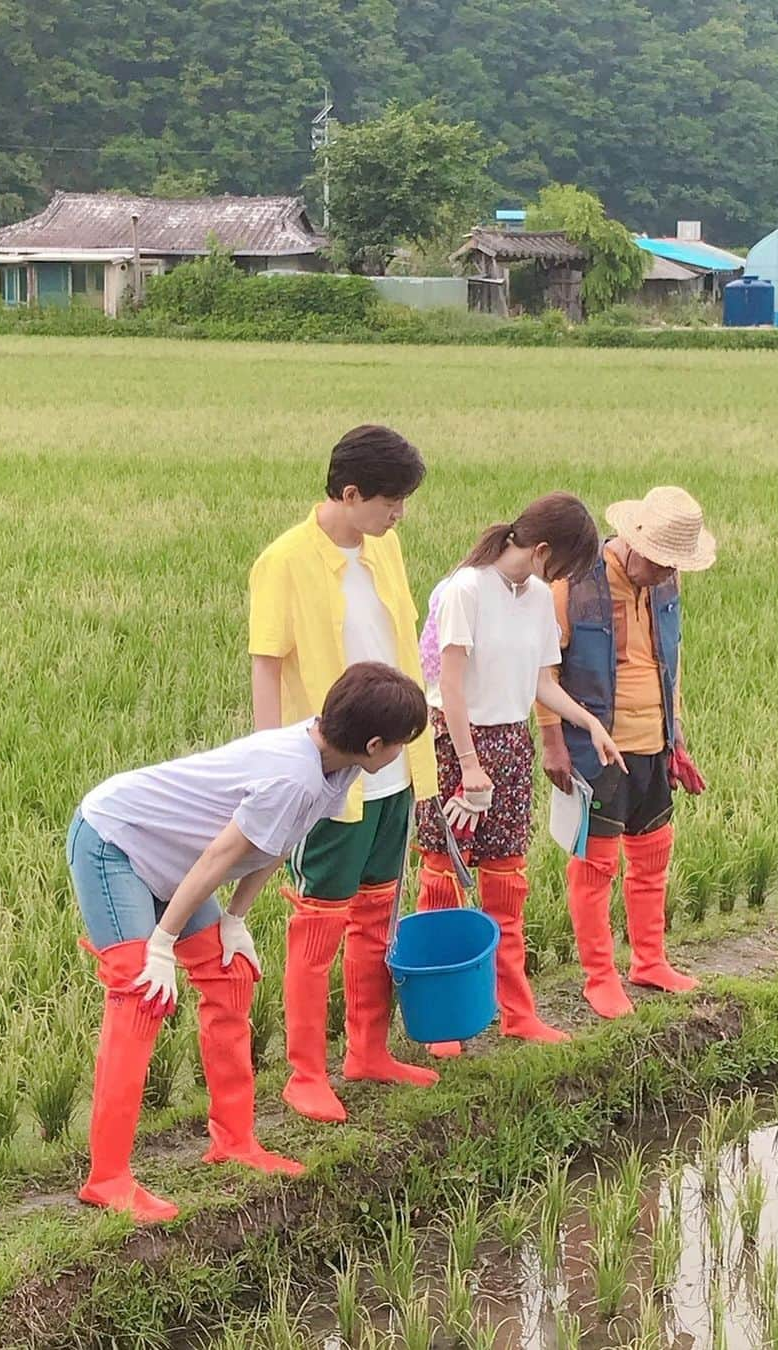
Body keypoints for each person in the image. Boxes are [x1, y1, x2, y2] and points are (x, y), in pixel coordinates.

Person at [66, 662, 428, 1223]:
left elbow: (279, 841)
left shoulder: (339, 769)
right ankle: (107, 1177)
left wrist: (235, 919)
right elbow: (220, 856)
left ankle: (233, 1140)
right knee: (141, 996)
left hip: (180, 861)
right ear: (374, 742)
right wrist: (160, 944)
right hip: (118, 842)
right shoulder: (294, 773)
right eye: (402, 744)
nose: (403, 753)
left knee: (229, 975)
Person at [248, 426, 439, 1124]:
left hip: (395, 770)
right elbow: (267, 663)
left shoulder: (386, 550)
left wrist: (425, 752)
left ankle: (368, 1051)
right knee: (318, 925)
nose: (400, 514)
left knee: (375, 918)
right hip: (327, 774)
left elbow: (405, 647)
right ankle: (304, 1073)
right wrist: (272, 762)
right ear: (350, 493)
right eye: (391, 500)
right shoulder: (285, 560)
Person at [415, 493, 626, 1056]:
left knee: (507, 883)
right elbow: (451, 688)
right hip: (454, 744)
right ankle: (445, 1024)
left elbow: (542, 683)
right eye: (564, 568)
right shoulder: (466, 589)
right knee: (444, 879)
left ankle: (517, 1013)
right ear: (541, 550)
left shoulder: (534, 597)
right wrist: (467, 765)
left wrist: (590, 724)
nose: (563, 580)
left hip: (510, 745)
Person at [537, 486, 714, 1019]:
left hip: (653, 744)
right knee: (595, 865)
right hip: (596, 749)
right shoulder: (573, 584)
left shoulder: (666, 583)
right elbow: (543, 671)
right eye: (659, 562)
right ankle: (599, 976)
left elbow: (671, 662)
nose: (665, 573)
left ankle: (650, 960)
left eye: (672, 566)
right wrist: (552, 743)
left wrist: (675, 735)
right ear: (634, 542)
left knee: (653, 852)